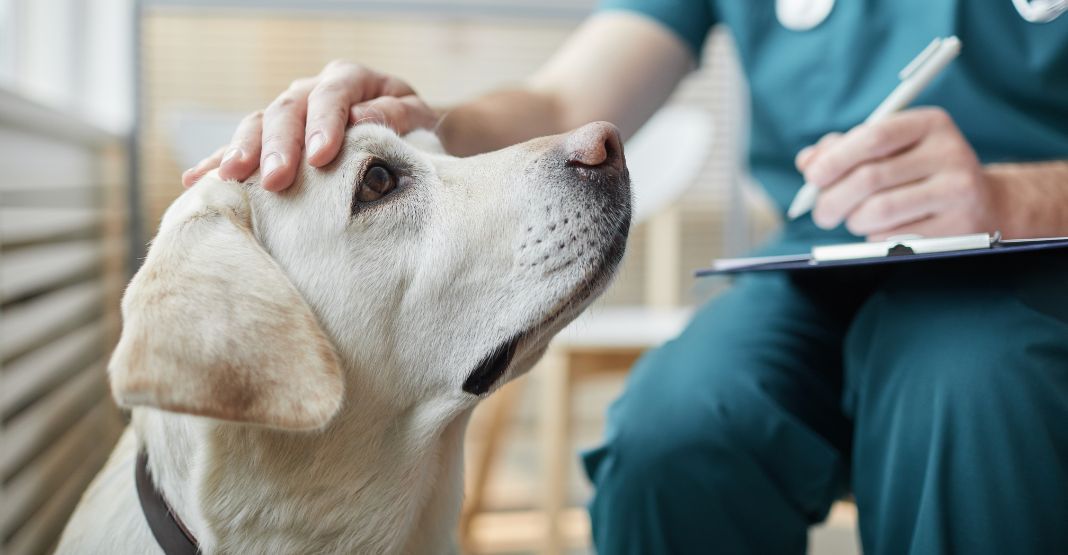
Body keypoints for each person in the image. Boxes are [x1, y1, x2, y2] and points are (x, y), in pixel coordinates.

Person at [184, 1, 1068, 553]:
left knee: (973, 393)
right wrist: (428, 124)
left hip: (1040, 264)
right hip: (818, 259)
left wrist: (1018, 195)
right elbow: (568, 102)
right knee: (670, 432)